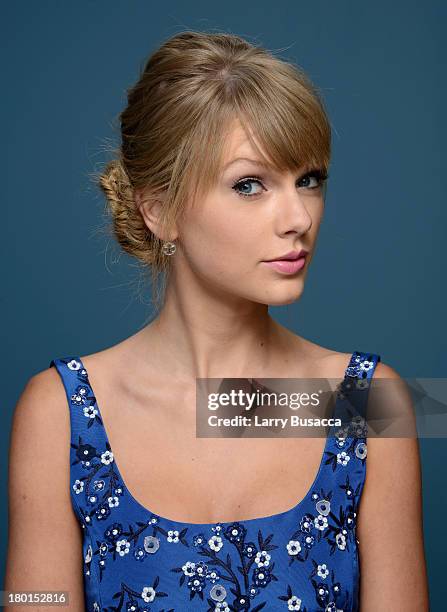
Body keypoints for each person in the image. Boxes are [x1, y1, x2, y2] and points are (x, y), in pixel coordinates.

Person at [5, 30, 429, 611]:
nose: (298, 217)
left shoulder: (367, 402)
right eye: (249, 185)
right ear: (159, 210)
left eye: (308, 179)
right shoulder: (60, 413)